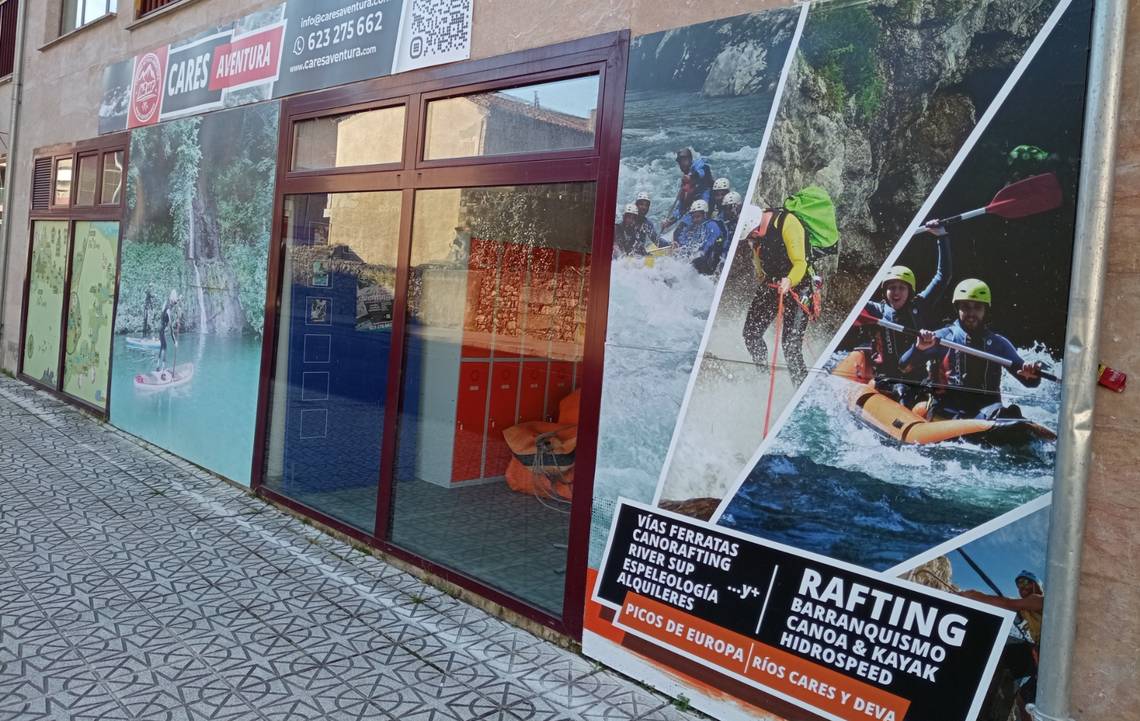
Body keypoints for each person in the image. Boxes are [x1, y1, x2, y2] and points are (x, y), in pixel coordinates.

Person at [901, 279, 1042, 420]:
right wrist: (918, 348)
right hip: (947, 411)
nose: (971, 313)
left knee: (1010, 413)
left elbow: (1030, 382)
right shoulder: (942, 338)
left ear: (986, 310)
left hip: (987, 412)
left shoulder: (999, 344)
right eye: (966, 307)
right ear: (957, 308)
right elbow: (904, 366)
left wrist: (1031, 374)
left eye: (977, 307)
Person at [859, 221, 953, 406]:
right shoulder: (876, 310)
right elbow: (854, 305)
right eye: (892, 287)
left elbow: (943, 276)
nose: (896, 292)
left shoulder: (920, 304)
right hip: (887, 379)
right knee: (902, 393)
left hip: (918, 378)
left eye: (902, 288)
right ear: (885, 291)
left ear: (910, 291)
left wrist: (942, 236)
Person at [741, 207, 813, 385]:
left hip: (799, 286)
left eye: (751, 235)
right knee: (751, 333)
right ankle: (763, 376)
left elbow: (800, 263)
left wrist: (789, 280)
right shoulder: (756, 237)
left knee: (790, 346)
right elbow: (760, 267)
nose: (752, 239)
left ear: (755, 226)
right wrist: (763, 277)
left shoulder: (787, 223)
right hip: (772, 284)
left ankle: (801, 388)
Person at [961, 571, 1044, 716]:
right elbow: (1004, 605)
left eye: (1026, 582)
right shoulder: (1024, 610)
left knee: (1028, 702)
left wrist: (974, 595)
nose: (1022, 586)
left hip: (1040, 660)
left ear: (1036, 585)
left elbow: (1007, 603)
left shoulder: (1039, 600)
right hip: (1027, 660)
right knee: (1022, 701)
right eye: (1019, 584)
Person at [661, 147, 714, 232]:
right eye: (680, 162)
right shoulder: (685, 183)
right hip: (696, 210)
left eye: (684, 160)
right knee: (679, 230)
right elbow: (681, 207)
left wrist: (691, 177)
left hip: (709, 206)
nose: (682, 164)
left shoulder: (698, 165)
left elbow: (703, 171)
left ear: (690, 159)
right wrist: (670, 222)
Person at [673, 199, 726, 274]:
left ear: (705, 215)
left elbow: (710, 243)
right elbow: (687, 242)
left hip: (709, 260)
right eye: (693, 217)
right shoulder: (696, 227)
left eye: (698, 217)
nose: (695, 220)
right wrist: (679, 246)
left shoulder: (712, 225)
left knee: (696, 261)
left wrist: (698, 253)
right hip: (697, 258)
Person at [156, 289, 180, 372]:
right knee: (164, 347)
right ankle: (163, 368)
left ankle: (157, 366)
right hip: (162, 329)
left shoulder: (167, 302)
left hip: (160, 327)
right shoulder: (169, 311)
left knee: (161, 346)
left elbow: (174, 303)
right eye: (174, 301)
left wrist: (179, 299)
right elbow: (171, 328)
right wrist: (175, 341)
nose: (174, 303)